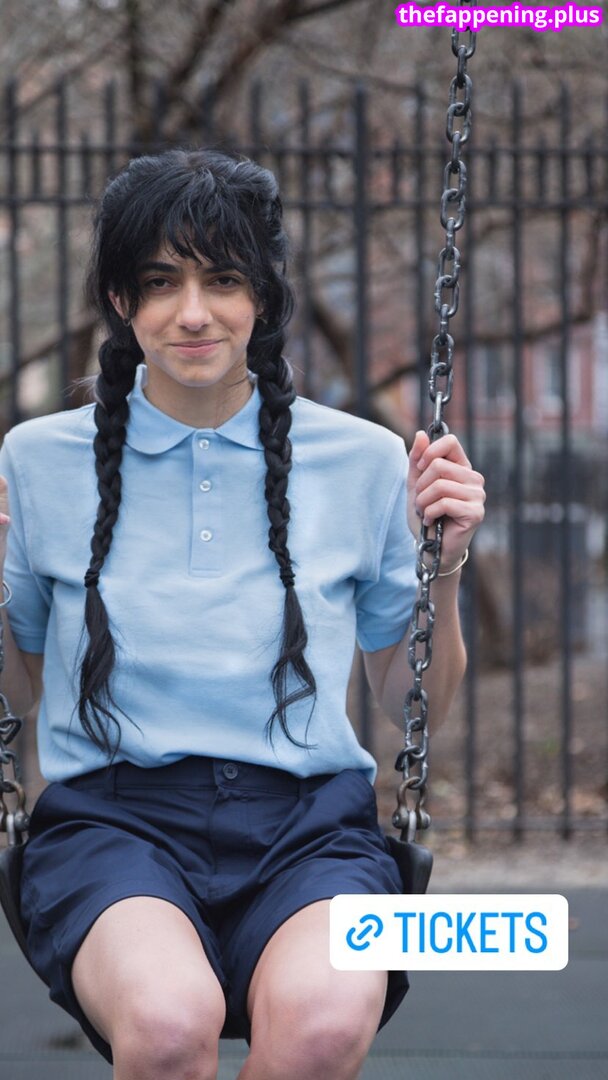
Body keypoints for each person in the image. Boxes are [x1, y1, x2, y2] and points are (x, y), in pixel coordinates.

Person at [0, 148, 485, 1080]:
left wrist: (449, 567)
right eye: (160, 283)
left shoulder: (365, 460)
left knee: (321, 1030)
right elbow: (15, 690)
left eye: (223, 280)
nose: (193, 313)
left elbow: (408, 698)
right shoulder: (37, 459)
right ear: (119, 300)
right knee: (169, 1026)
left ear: (263, 295)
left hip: (313, 830)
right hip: (111, 824)